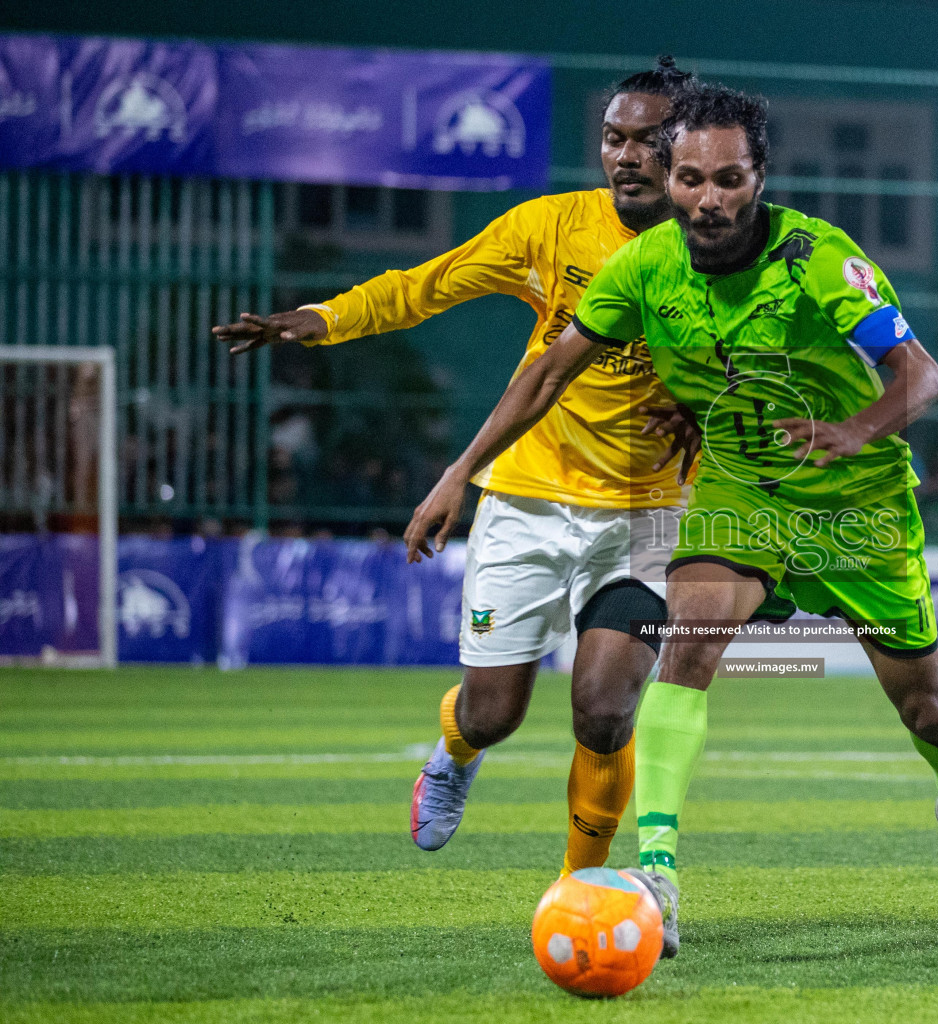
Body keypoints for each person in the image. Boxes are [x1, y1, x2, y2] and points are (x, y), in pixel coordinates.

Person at [404, 85, 938, 957]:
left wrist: (855, 430)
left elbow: (921, 374)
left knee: (930, 715)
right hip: (740, 493)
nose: (708, 199)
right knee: (687, 644)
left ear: (760, 178)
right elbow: (548, 373)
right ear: (668, 174)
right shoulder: (646, 266)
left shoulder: (816, 257)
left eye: (729, 178)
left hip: (858, 507)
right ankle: (658, 874)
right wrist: (461, 473)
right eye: (689, 177)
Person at [214, 58, 700, 878]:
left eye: (646, 141)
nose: (624, 155)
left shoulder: (718, 243)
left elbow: (765, 360)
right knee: (492, 712)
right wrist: (321, 319)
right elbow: (424, 287)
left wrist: (709, 404)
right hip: (528, 499)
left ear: (684, 149)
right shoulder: (549, 227)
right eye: (613, 137)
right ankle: (454, 755)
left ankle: (583, 887)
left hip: (647, 513)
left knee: (605, 711)